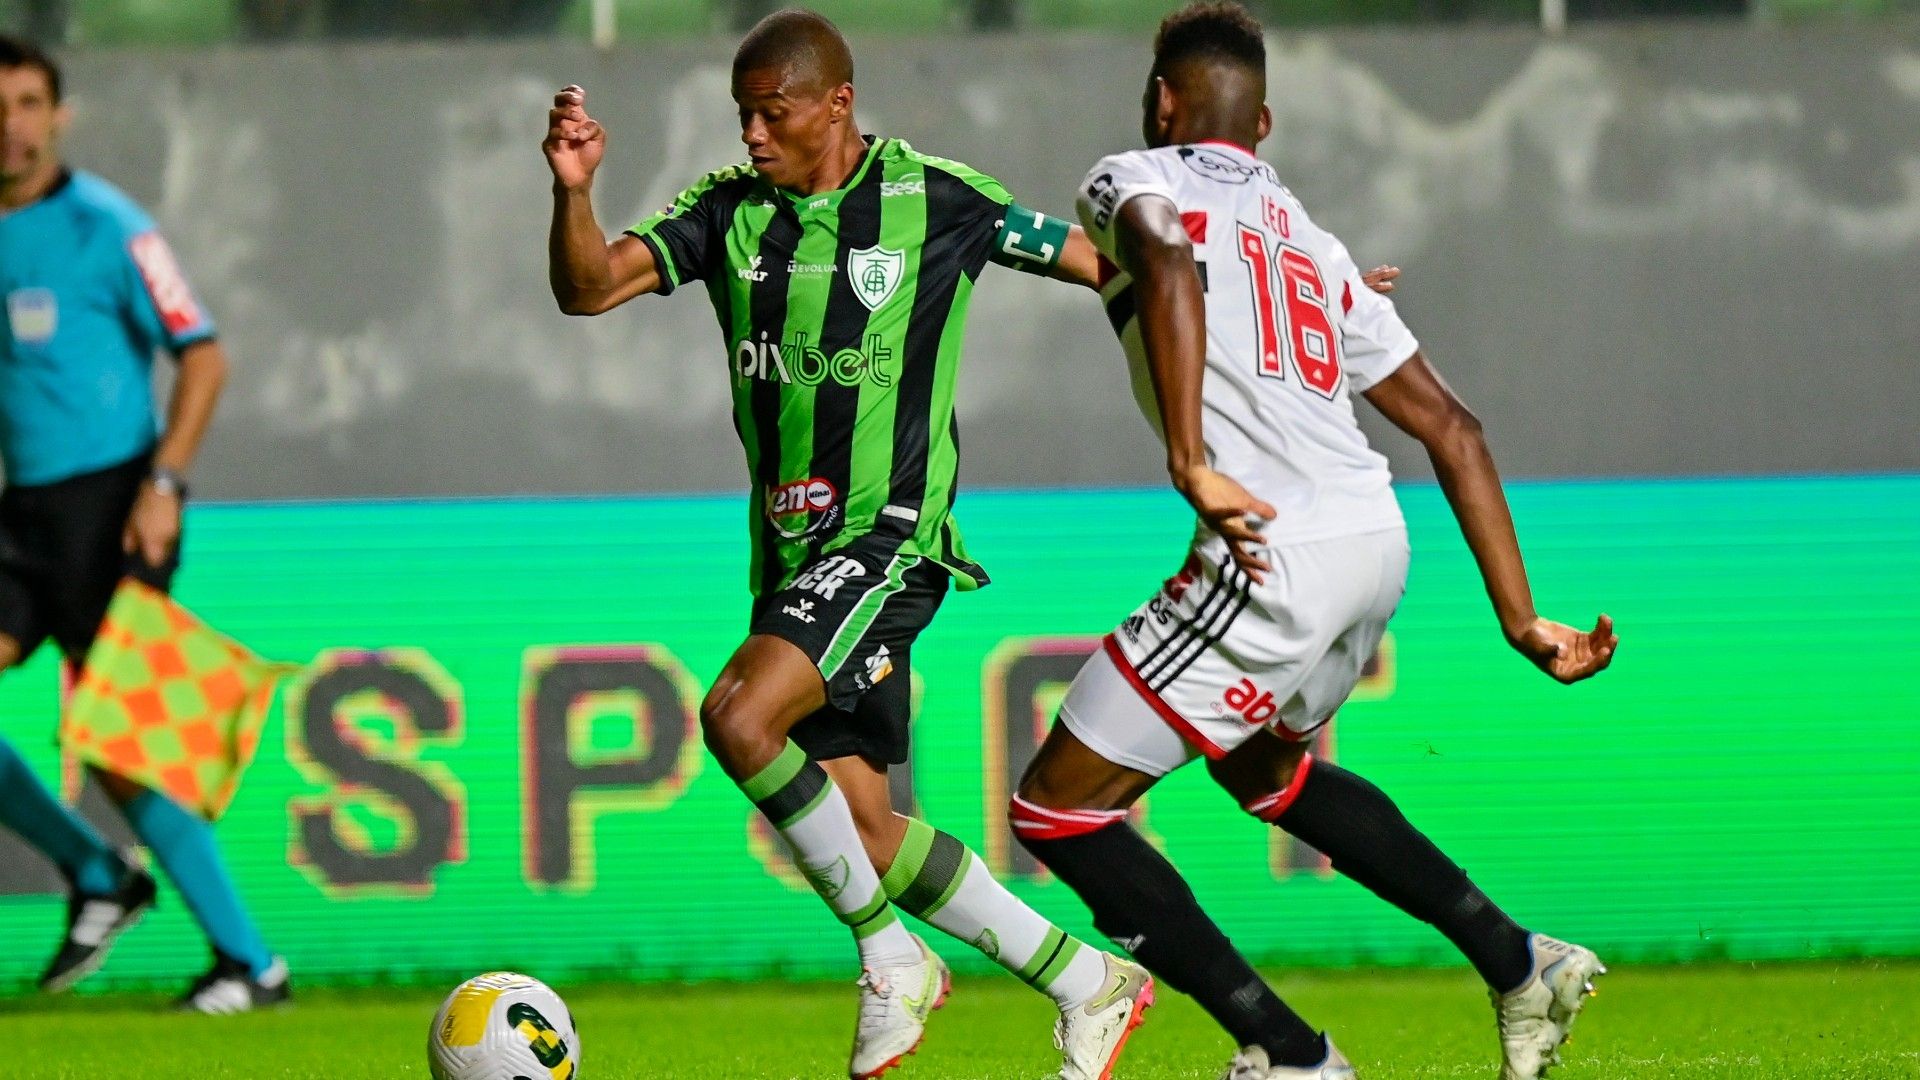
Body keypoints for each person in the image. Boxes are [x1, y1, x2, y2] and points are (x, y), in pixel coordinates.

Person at [542, 10, 1158, 1079]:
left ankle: (890, 960)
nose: (752, 136)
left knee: (737, 715)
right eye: (742, 115)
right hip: (791, 560)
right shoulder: (727, 214)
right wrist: (572, 188)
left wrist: (1292, 312)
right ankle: (1085, 979)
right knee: (868, 831)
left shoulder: (937, 200)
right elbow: (588, 287)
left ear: (836, 102)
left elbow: (1107, 266)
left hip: (891, 540)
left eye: (771, 113)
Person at [1008, 5, 1618, 1080]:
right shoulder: (1314, 247)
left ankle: (1288, 1053)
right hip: (1375, 544)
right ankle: (1518, 961)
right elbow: (1454, 428)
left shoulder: (1133, 177)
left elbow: (1157, 257)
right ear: (1267, 122)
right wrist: (1523, 621)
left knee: (1054, 810)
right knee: (1263, 771)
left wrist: (1192, 457)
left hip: (1269, 557)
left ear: (1163, 101)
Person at [0, 35, 289, 1013]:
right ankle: (95, 872)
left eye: (30, 103)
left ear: (58, 115)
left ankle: (250, 963)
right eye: (0, 105)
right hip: (19, 514)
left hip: (113, 509)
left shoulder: (107, 225)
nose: (13, 124)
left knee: (122, 749)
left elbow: (202, 355)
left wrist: (166, 480)